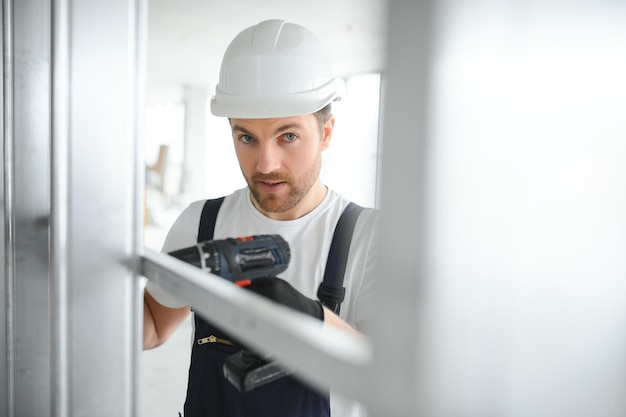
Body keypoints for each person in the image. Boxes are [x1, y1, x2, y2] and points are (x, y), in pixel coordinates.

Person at [143, 19, 378, 417]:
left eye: (288, 136)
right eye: (246, 137)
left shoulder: (369, 236)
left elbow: (391, 381)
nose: (265, 164)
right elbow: (152, 325)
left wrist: (314, 319)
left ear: (326, 133)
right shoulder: (201, 223)